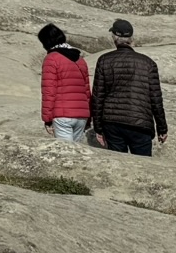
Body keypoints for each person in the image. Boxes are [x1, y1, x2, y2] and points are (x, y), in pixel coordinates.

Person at [91, 18, 167, 156]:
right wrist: (162, 128)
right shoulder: (148, 63)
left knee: (118, 163)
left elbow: (98, 97)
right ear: (131, 38)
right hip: (140, 123)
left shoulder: (104, 60)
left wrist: (98, 128)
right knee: (143, 164)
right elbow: (156, 98)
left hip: (112, 123)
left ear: (114, 38)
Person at [38, 24, 93, 143]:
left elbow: (49, 91)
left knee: (66, 151)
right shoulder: (80, 60)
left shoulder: (51, 58)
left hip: (62, 115)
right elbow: (87, 91)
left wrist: (47, 119)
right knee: (76, 151)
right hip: (82, 115)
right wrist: (89, 116)